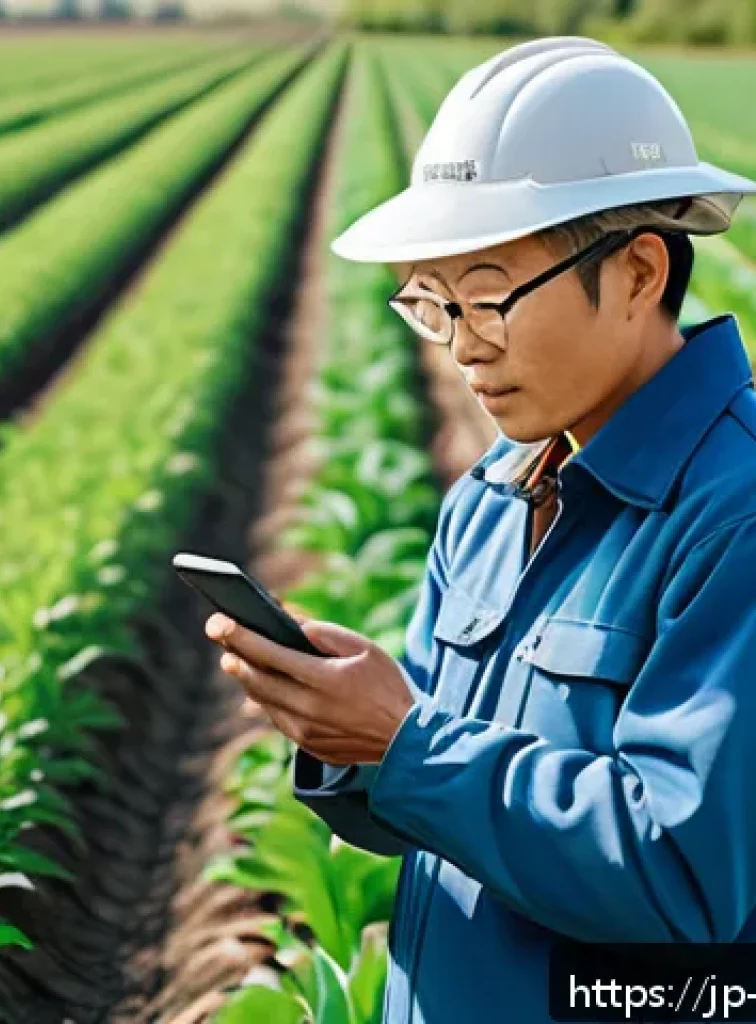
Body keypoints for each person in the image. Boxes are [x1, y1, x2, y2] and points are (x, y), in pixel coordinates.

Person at [201, 35, 756, 1024]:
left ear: (635, 274)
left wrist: (406, 739)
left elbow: (681, 881)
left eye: (489, 297)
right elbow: (444, 805)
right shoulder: (494, 495)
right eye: (434, 303)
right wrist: (347, 734)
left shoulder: (734, 511)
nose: (462, 347)